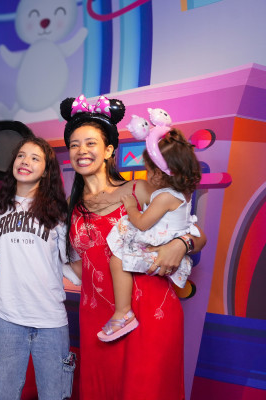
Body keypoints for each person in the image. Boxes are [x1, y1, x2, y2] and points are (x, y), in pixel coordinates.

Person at [61, 94, 206, 400]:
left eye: (90, 143)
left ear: (109, 150)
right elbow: (78, 265)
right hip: (98, 317)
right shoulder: (70, 208)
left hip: (150, 311)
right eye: (74, 144)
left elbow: (195, 233)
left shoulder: (139, 189)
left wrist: (181, 244)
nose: (81, 150)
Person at [0, 137, 76, 400]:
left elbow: (75, 267)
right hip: (6, 318)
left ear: (45, 171)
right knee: (4, 395)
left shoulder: (59, 213)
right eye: (21, 155)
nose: (25, 161)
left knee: (54, 396)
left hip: (50, 321)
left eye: (35, 158)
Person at [100, 128, 202, 341]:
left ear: (158, 173)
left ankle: (123, 312)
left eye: (148, 170)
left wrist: (131, 207)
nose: (146, 175)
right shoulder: (184, 193)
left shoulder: (164, 197)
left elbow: (142, 223)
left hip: (158, 251)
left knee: (117, 260)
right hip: (165, 247)